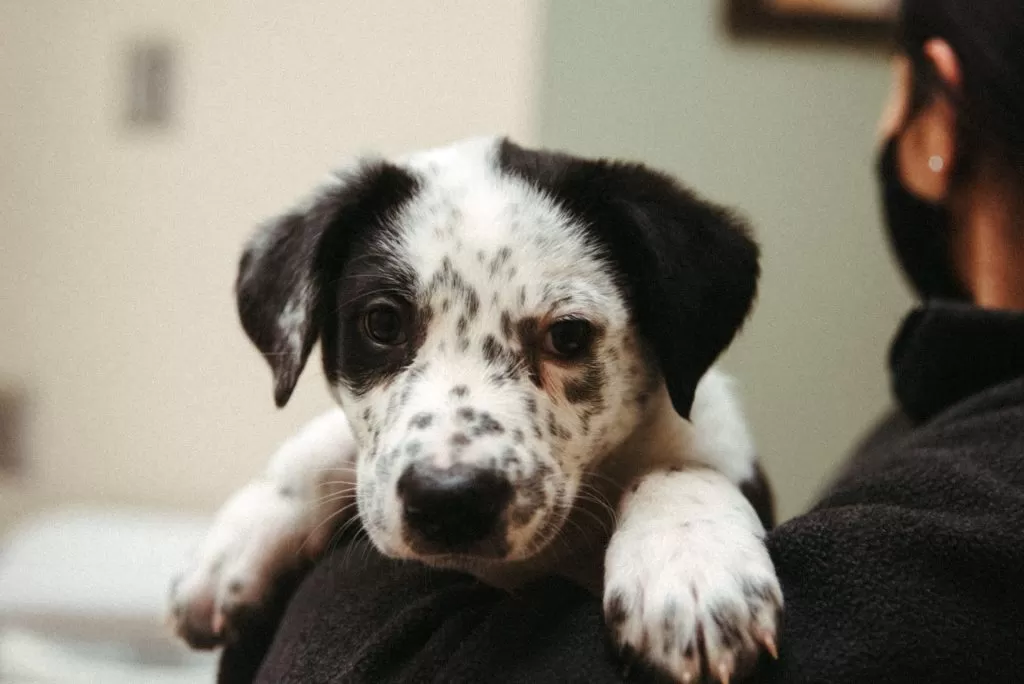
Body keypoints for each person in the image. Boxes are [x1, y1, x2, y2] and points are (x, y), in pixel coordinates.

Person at [220, 0, 1024, 681]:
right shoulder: (936, 405)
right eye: (385, 327)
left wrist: (684, 492)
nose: (450, 461)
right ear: (302, 325)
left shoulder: (986, 491)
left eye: (564, 339)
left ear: (936, 117)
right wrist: (313, 476)